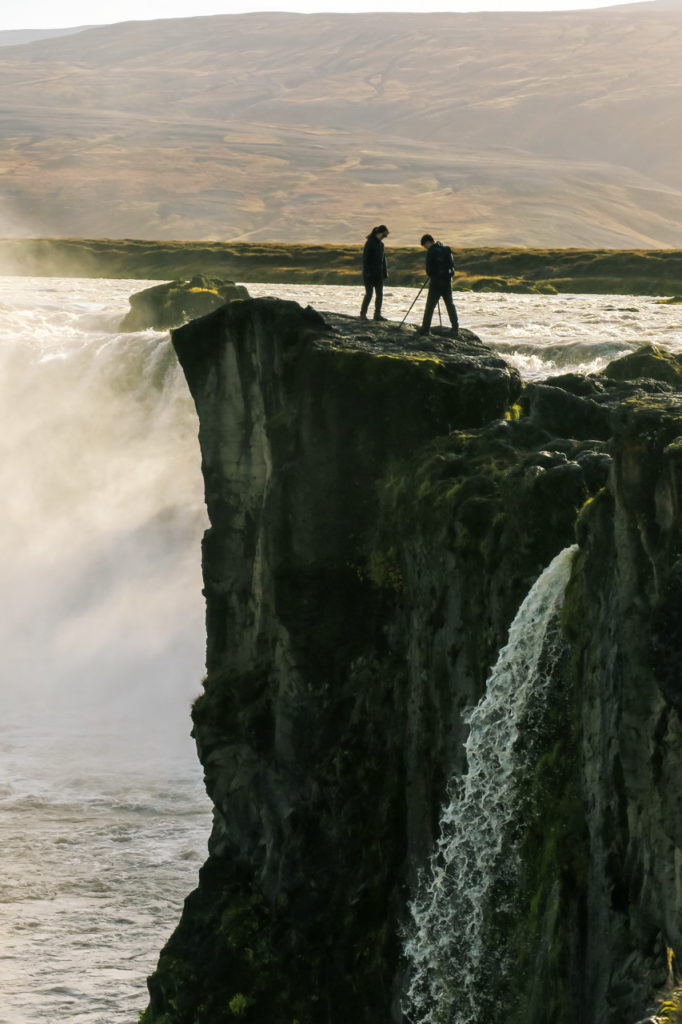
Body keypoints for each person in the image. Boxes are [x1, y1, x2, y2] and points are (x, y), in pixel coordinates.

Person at [418, 233, 459, 336]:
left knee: (430, 306)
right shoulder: (446, 249)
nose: (425, 248)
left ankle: (425, 329)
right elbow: (452, 265)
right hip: (447, 281)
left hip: (436, 283)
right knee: (450, 305)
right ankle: (455, 327)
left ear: (427, 242)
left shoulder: (431, 252)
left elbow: (429, 271)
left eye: (424, 246)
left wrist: (433, 275)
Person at [360, 225, 389, 321]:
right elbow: (366, 259)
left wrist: (385, 272)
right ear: (380, 233)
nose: (385, 236)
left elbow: (383, 260)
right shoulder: (370, 243)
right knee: (369, 294)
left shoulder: (381, 245)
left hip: (379, 274)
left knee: (379, 294)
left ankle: (377, 315)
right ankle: (363, 314)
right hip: (369, 274)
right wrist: (367, 272)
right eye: (385, 234)